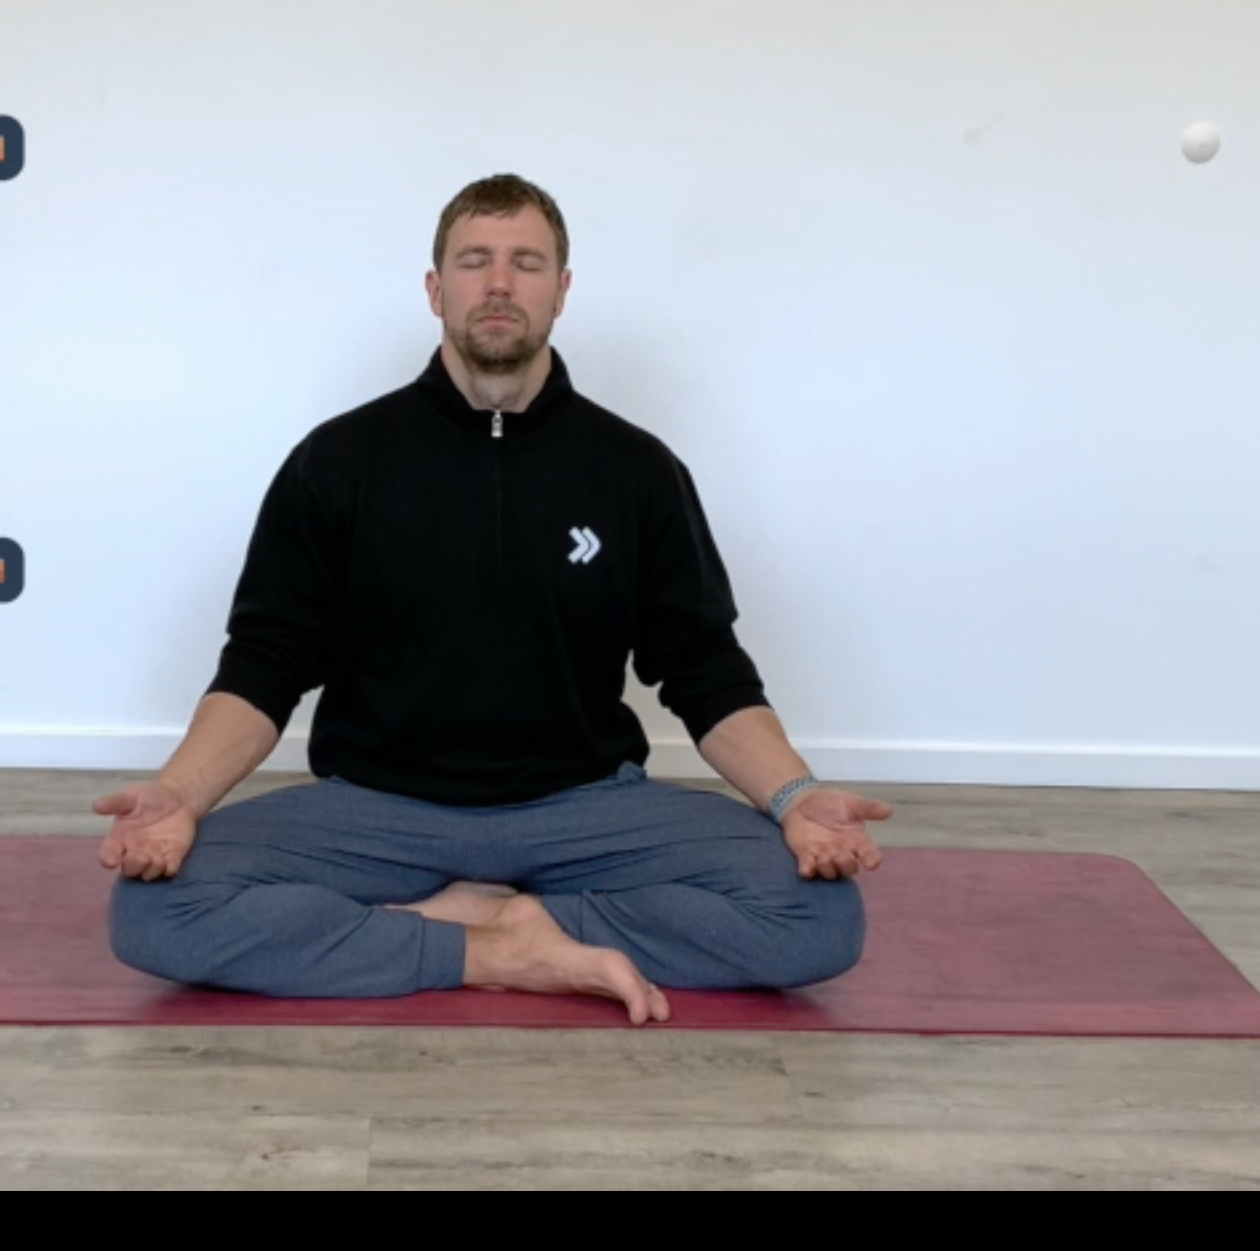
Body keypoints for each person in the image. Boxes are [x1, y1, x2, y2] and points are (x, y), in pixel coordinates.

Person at [96, 174, 889, 1023]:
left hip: (584, 810)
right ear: (436, 288)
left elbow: (704, 669)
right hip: (378, 809)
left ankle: (488, 923)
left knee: (817, 918)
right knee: (155, 910)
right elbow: (265, 662)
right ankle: (492, 944)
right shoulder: (338, 461)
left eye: (526, 263)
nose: (500, 283)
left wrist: (796, 797)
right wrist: (179, 796)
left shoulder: (637, 470)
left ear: (562, 290)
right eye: (475, 261)